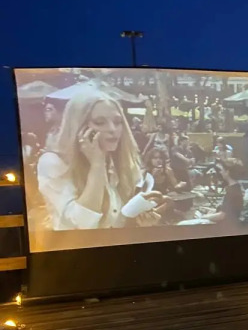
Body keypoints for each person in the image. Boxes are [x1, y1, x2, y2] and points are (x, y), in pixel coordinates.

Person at [36, 88, 161, 230]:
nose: (112, 129)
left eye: (117, 122)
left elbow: (118, 220)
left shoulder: (121, 161)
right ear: (79, 127)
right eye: (100, 122)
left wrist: (142, 223)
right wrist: (97, 165)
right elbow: (82, 223)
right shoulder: (53, 162)